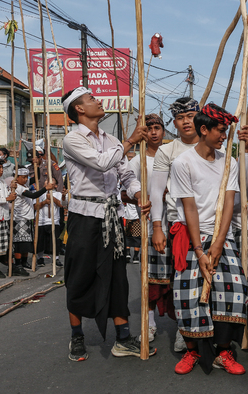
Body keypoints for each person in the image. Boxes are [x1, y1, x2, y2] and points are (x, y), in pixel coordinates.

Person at [61, 86, 154, 362]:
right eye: (91, 99)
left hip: (112, 217)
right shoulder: (72, 140)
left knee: (117, 277)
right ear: (79, 109)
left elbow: (125, 173)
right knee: (78, 277)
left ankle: (123, 338)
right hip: (84, 217)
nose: (98, 101)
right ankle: (77, 336)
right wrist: (129, 142)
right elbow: (102, 164)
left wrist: (137, 192)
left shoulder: (111, 138)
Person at [169, 103, 247, 375]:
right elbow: (189, 207)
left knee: (234, 291)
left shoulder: (230, 162)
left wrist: (218, 243)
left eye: (226, 131)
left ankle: (223, 352)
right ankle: (192, 352)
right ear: (204, 130)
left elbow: (228, 204)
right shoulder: (182, 163)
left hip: (221, 236)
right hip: (192, 238)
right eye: (221, 131)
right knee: (188, 296)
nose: (225, 136)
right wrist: (201, 251)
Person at [149, 97, 200, 352]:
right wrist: (157, 227)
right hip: (178, 226)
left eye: (190, 116)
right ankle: (184, 330)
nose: (186, 121)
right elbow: (156, 193)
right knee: (181, 283)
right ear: (175, 123)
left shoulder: (211, 145)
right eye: (180, 118)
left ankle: (210, 331)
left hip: (209, 225)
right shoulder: (166, 151)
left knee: (209, 279)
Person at [123, 113, 175, 342]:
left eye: (157, 127)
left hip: (176, 222)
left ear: (164, 131)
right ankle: (150, 323)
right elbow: (124, 192)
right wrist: (146, 198)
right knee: (150, 278)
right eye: (150, 128)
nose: (154, 132)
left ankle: (183, 328)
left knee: (178, 277)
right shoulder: (138, 161)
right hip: (150, 226)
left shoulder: (174, 155)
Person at [12, 166, 55, 270]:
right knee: (19, 243)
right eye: (23, 177)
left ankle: (24, 262)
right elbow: (33, 195)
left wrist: (37, 164)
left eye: (27, 177)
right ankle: (17, 263)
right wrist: (45, 189)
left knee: (26, 243)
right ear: (16, 177)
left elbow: (37, 176)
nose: (26, 179)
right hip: (19, 218)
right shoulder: (17, 187)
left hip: (27, 218)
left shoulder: (24, 185)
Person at [34, 181, 66, 268]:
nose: (48, 183)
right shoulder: (39, 193)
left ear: (55, 185)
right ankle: (40, 258)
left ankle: (56, 258)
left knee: (55, 241)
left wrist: (52, 198)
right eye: (47, 182)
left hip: (53, 221)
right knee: (40, 241)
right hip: (41, 221)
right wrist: (44, 202)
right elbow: (34, 206)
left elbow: (61, 205)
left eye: (51, 182)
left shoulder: (58, 194)